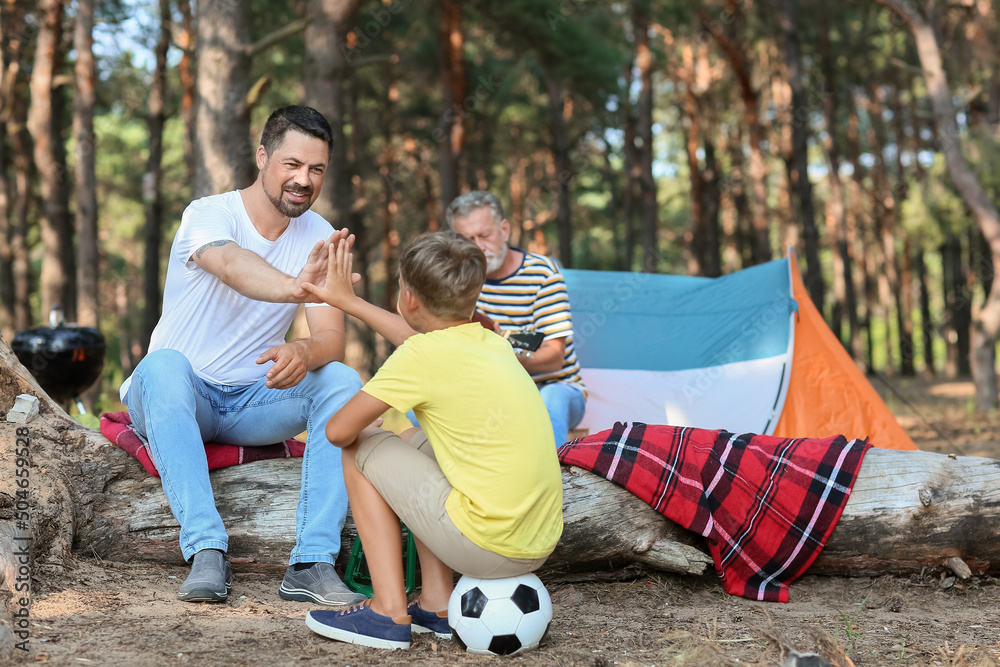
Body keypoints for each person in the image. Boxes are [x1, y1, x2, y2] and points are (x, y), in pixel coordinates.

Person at [120, 105, 367, 607]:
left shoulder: (320, 235)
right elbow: (232, 264)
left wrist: (303, 348)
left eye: (316, 170)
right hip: (179, 397)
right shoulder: (209, 214)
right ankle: (207, 549)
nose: (303, 180)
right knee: (164, 363)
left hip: (252, 402)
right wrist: (295, 288)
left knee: (341, 380)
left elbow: (330, 338)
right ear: (262, 156)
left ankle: (312, 561)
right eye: (292, 165)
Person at [298, 231, 564, 650]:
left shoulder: (419, 358)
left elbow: (337, 431)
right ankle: (437, 604)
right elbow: (418, 338)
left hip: (487, 547)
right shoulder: (490, 341)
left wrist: (365, 432)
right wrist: (347, 301)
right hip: (538, 540)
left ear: (409, 297)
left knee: (359, 446)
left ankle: (387, 611)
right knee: (414, 438)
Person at [446, 190, 587, 446]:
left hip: (554, 388)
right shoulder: (458, 281)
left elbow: (555, 358)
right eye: (468, 239)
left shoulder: (543, 273)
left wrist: (502, 351)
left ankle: (556, 481)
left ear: (504, 229)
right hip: (495, 393)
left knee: (551, 399)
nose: (478, 247)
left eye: (485, 235)